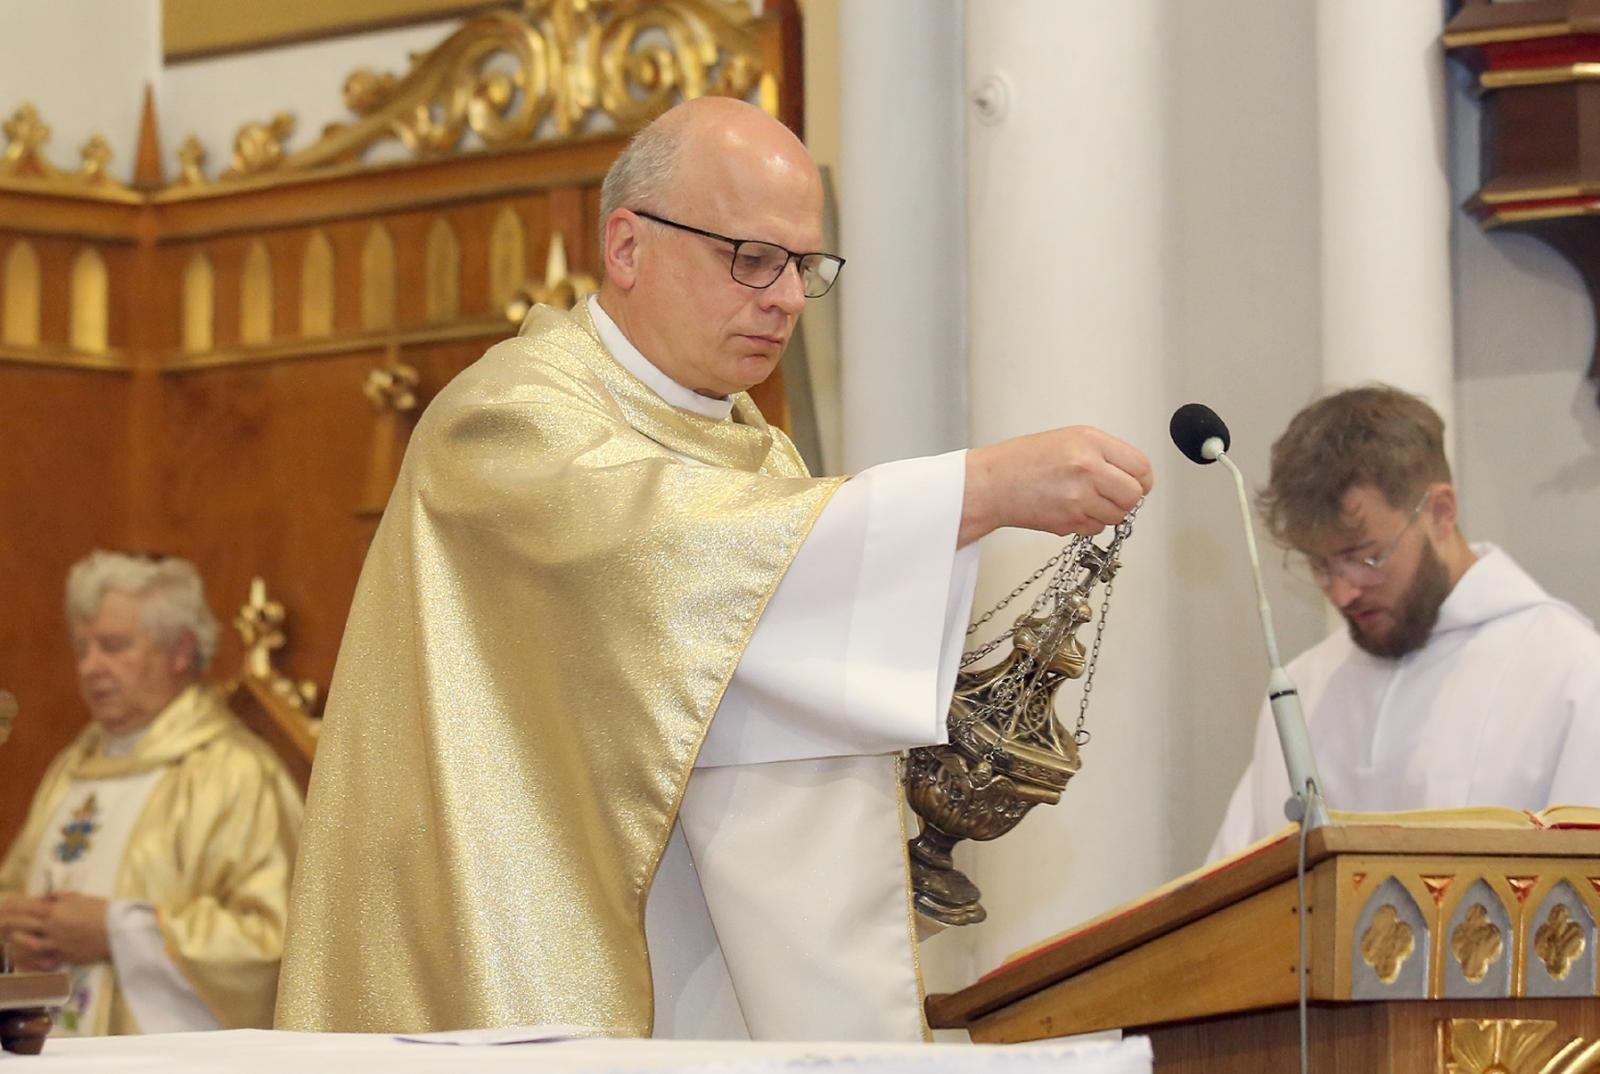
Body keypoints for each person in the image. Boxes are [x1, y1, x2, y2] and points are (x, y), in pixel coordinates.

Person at [276, 96, 1153, 1041]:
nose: (785, 298)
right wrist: (978, 489)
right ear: (627, 247)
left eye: (803, 266)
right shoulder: (507, 419)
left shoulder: (754, 451)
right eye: (752, 257)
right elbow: (661, 557)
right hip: (520, 969)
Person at [1209, 385, 1600, 860]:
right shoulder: (1304, 686)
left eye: (1365, 557)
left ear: (1440, 513)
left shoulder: (1571, 674)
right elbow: (1237, 878)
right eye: (1320, 565)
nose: (1342, 593)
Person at [0, 551, 304, 1035]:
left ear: (180, 651)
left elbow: (278, 942)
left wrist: (117, 931)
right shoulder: (73, 768)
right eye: (82, 648)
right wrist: (10, 927)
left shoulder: (237, 773)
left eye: (113, 646)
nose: (90, 667)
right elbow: (15, 890)